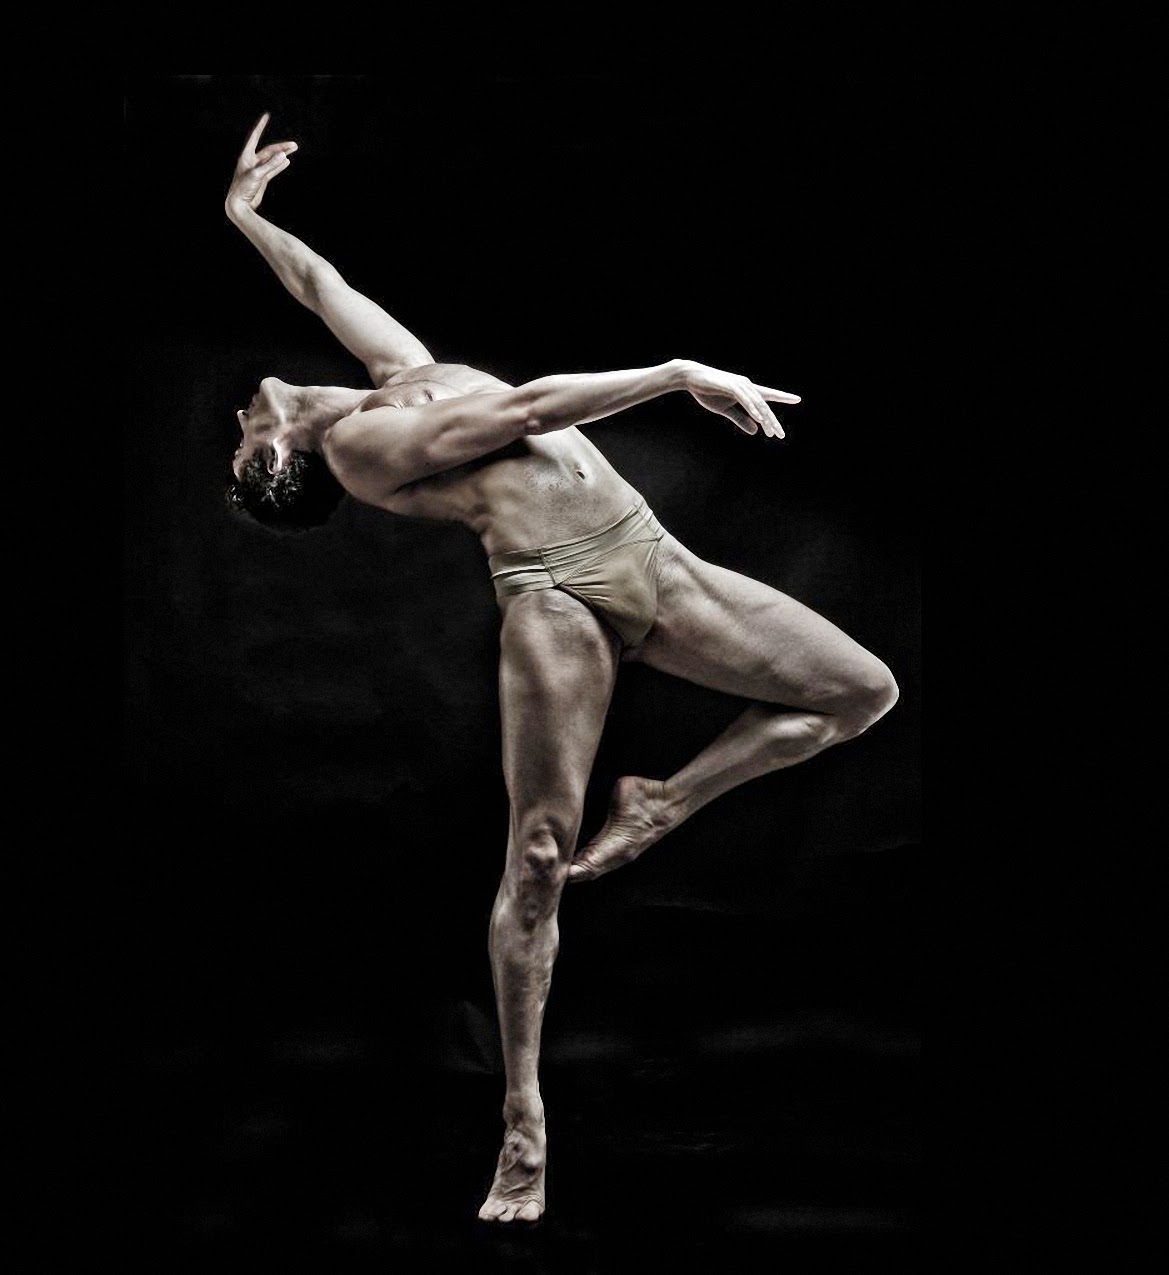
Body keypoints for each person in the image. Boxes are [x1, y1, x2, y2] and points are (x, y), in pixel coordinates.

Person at [224, 114, 899, 1225]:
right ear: (277, 460)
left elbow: (318, 284)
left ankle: (663, 802)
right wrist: (677, 373)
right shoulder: (360, 448)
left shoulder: (395, 380)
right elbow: (529, 407)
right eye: (241, 441)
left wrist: (244, 214)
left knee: (861, 691)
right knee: (537, 856)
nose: (241, 416)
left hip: (653, 559)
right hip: (557, 599)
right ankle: (524, 1127)